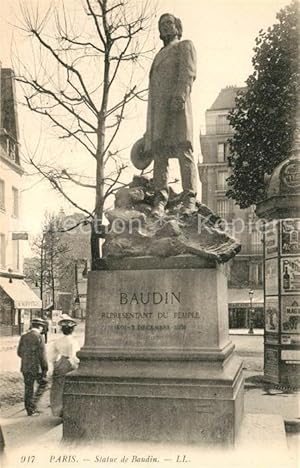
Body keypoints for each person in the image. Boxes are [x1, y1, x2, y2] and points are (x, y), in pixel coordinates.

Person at [144, 13, 198, 216]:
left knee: (184, 149)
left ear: (177, 27)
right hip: (159, 113)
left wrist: (180, 97)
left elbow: (188, 73)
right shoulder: (159, 55)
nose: (165, 27)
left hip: (177, 106)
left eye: (169, 23)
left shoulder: (184, 46)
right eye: (161, 25)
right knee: (160, 154)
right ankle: (160, 199)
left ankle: (189, 197)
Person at [50, 314, 79, 417]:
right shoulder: (73, 341)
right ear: (72, 329)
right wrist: (76, 366)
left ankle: (58, 409)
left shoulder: (58, 341)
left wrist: (55, 364)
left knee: (58, 388)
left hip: (60, 362)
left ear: (62, 330)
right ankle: (68, 410)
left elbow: (52, 356)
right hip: (69, 364)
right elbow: (73, 356)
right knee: (69, 387)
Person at [17, 318, 48, 416]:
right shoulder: (39, 337)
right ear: (40, 326)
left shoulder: (24, 336)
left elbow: (19, 352)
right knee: (43, 384)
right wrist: (45, 368)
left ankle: (29, 409)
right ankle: (33, 405)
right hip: (36, 367)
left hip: (25, 367)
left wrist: (27, 359)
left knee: (28, 387)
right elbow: (42, 355)